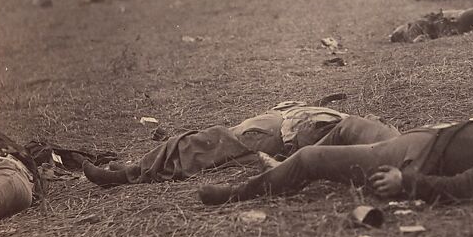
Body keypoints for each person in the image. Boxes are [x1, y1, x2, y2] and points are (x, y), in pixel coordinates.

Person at [197, 119, 473, 205]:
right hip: (421, 135)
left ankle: (240, 193)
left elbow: (461, 188)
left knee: (310, 158)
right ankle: (280, 168)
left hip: (411, 156)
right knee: (351, 124)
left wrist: (407, 184)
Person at [81, 102, 400, 186]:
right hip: (283, 124)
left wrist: (290, 152)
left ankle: (127, 174)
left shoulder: (374, 141)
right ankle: (134, 167)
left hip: (278, 134)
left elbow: (321, 149)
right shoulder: (386, 138)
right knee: (207, 142)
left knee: (204, 143)